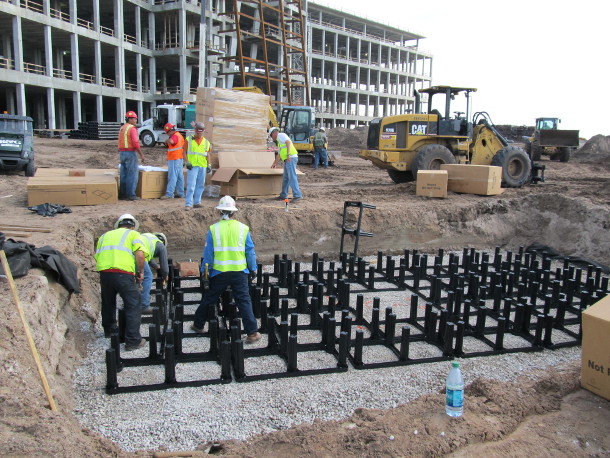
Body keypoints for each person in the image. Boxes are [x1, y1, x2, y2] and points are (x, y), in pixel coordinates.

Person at [191, 196, 261, 343]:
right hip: (239, 271)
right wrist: (253, 268)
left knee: (210, 298)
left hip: (219, 272)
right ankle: (252, 333)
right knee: (244, 301)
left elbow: (208, 254)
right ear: (234, 212)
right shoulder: (243, 228)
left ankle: (198, 325)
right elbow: (249, 251)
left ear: (219, 211)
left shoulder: (213, 229)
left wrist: (205, 271)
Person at [94, 214, 150, 351]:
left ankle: (110, 331)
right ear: (132, 226)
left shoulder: (104, 236)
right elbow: (140, 255)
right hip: (123, 273)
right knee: (133, 303)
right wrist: (140, 272)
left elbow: (97, 255)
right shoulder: (133, 235)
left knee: (108, 302)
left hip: (105, 273)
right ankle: (133, 341)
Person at [269, 126, 303, 203]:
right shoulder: (279, 140)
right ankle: (283, 195)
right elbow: (279, 154)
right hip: (288, 160)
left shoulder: (281, 135)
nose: (272, 138)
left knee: (292, 177)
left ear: (273, 133)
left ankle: (297, 195)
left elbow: (288, 142)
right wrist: (274, 163)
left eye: (271, 136)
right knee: (286, 178)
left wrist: (288, 155)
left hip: (290, 158)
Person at [184, 121, 212, 211]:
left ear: (203, 131)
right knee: (191, 185)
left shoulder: (206, 142)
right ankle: (188, 203)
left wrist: (209, 164)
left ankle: (197, 202)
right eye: (197, 132)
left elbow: (208, 154)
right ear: (195, 130)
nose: (199, 133)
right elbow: (183, 151)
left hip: (202, 165)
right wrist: (186, 162)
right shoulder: (189, 140)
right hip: (193, 165)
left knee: (200, 185)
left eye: (200, 132)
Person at [139, 232, 169, 313]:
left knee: (133, 277)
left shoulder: (148, 238)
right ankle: (144, 305)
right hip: (138, 255)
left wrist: (155, 266)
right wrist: (165, 274)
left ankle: (130, 303)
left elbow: (148, 256)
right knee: (148, 276)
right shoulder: (160, 245)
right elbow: (164, 263)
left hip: (130, 253)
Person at [118, 111, 144, 201]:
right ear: (130, 119)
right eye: (134, 119)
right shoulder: (132, 128)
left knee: (123, 174)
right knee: (132, 174)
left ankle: (122, 194)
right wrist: (141, 154)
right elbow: (135, 143)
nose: (136, 121)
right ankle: (131, 195)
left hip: (122, 153)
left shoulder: (123, 128)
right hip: (130, 153)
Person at [160, 123, 185, 199]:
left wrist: (167, 141)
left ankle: (170, 194)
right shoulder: (179, 135)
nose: (167, 134)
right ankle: (181, 193)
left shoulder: (175, 136)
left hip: (174, 158)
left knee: (173, 176)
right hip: (179, 158)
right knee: (179, 176)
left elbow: (171, 141)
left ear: (170, 131)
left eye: (167, 132)